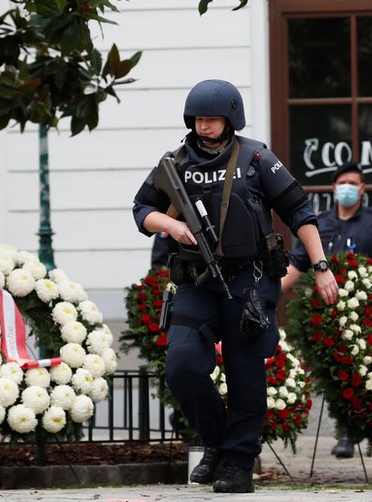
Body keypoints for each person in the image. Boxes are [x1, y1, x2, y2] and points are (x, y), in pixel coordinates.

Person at [132, 79, 338, 493]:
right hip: (195, 279)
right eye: (198, 119)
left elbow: (300, 211)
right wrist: (170, 223)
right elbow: (141, 209)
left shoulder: (257, 157)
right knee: (183, 366)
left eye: (212, 118)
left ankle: (239, 464)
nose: (204, 126)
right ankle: (217, 441)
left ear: (231, 119)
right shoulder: (176, 161)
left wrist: (320, 266)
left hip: (250, 280)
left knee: (246, 374)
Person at [280, 160, 372, 459]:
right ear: (334, 188)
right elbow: (299, 264)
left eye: (354, 183)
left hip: (362, 313)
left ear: (362, 189)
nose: (348, 189)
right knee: (333, 372)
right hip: (323, 313)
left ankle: (351, 433)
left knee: (356, 372)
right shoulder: (320, 223)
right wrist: (269, 292)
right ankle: (347, 431)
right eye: (343, 183)